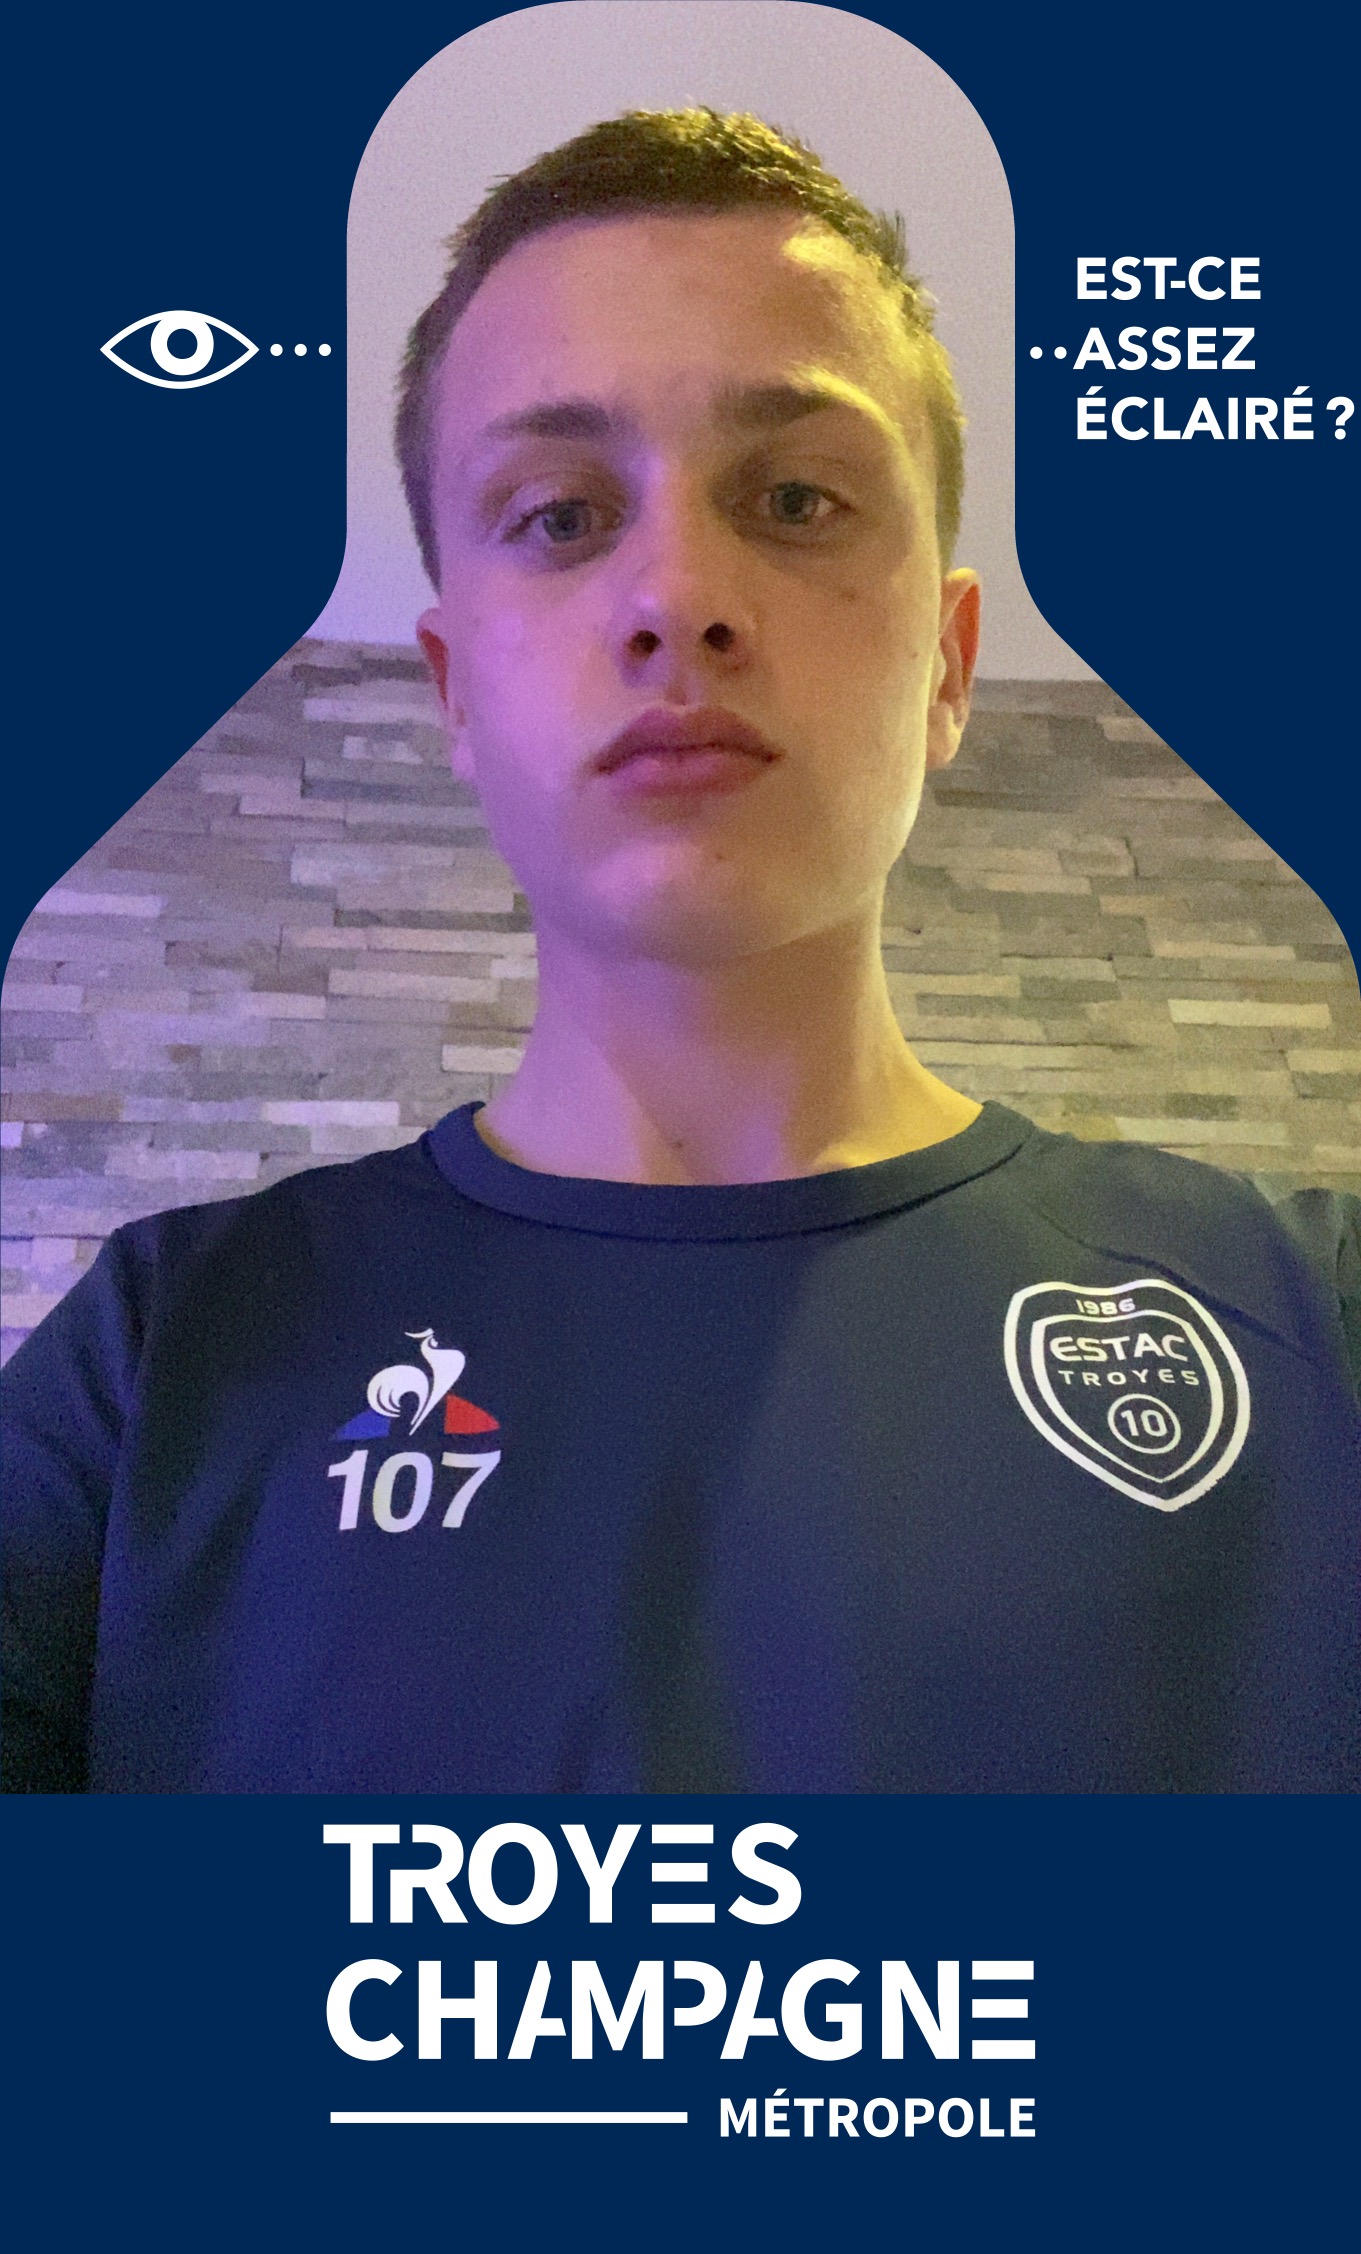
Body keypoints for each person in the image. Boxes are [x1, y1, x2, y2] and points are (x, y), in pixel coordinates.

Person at [3, 112, 1356, 1795]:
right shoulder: (151, 1366)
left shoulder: (1314, 1318)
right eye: (560, 515)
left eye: (793, 498)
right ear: (454, 690)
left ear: (945, 667)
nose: (677, 597)